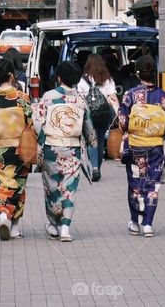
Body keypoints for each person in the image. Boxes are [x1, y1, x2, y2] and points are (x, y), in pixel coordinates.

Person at [32, 60, 97, 242]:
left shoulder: (48, 97)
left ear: (58, 77)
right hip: (72, 149)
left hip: (51, 149)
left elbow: (37, 122)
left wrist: (41, 139)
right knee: (69, 189)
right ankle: (66, 227)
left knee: (51, 187)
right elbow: (88, 127)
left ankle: (53, 225)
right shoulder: (79, 100)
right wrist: (93, 142)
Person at [118, 54, 165, 238]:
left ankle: (135, 222)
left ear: (138, 73)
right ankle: (148, 224)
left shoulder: (130, 95)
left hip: (136, 146)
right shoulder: (163, 97)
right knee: (153, 184)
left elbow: (122, 123)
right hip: (156, 148)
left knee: (136, 183)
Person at [0, 58, 33, 240]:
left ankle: (3, 214)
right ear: (11, 76)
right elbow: (30, 123)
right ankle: (15, 227)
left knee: (1, 185)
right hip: (19, 149)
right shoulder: (22, 98)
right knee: (18, 185)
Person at [77, 54, 120, 182]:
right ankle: (98, 169)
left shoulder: (83, 80)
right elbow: (112, 98)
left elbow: (80, 98)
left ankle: (94, 168)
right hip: (104, 114)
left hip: (89, 114)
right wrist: (118, 113)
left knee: (91, 139)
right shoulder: (108, 79)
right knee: (101, 140)